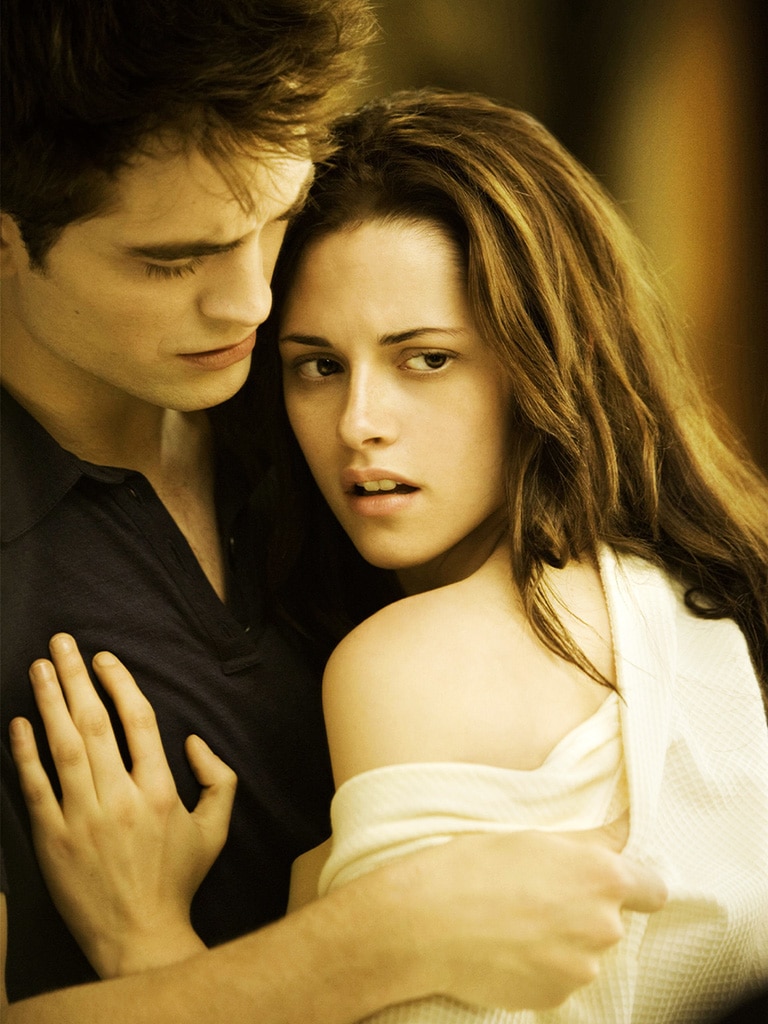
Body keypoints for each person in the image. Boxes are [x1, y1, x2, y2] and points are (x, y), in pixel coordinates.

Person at [0, 2, 666, 1019]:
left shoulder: (332, 377)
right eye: (174, 258)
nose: (252, 303)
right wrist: (384, 937)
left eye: (276, 217)